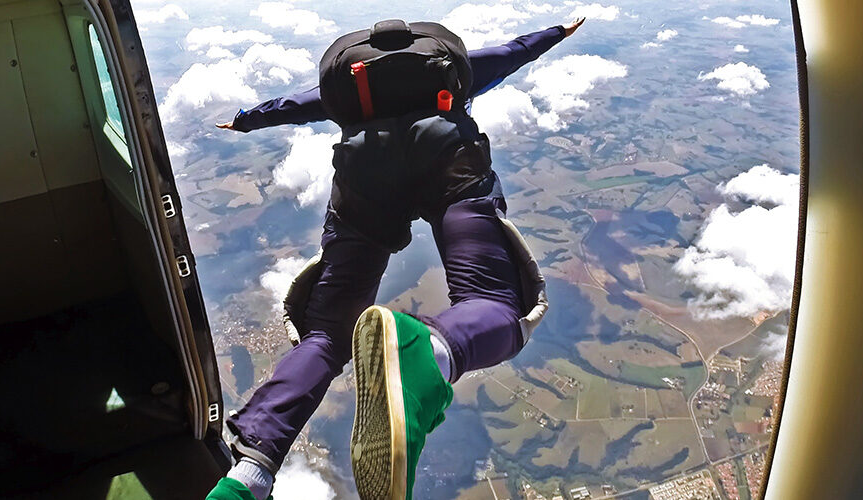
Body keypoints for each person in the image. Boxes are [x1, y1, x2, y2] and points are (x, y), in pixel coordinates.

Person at [206, 17, 584, 500]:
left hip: (364, 175)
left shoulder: (353, 83)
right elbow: (513, 52)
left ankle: (248, 475)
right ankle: (432, 350)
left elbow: (297, 106)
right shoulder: (444, 66)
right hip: (451, 159)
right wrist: (556, 33)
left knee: (325, 334)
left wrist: (245, 118)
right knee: (493, 299)